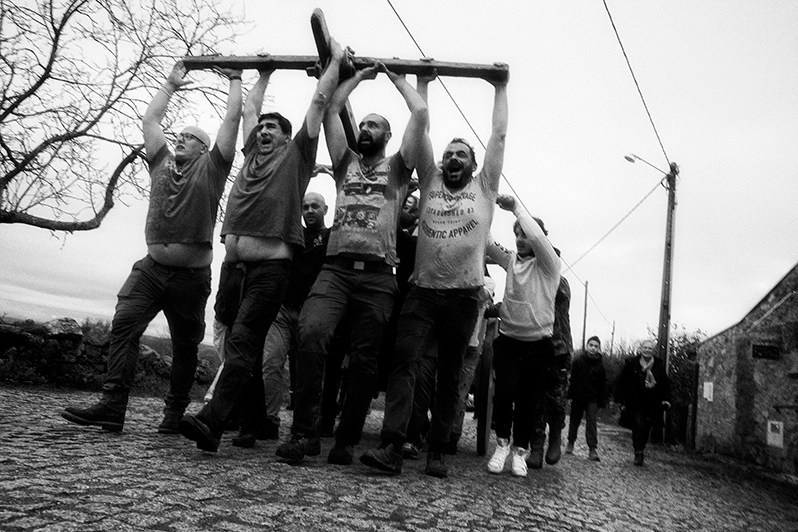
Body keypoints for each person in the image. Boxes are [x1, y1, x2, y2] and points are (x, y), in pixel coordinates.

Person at [177, 41, 345, 453]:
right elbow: (250, 111)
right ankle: (246, 425)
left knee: (245, 343)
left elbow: (319, 102)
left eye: (274, 128)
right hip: (233, 269)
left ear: (289, 139)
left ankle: (211, 421)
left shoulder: (296, 158)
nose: (265, 131)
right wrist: (262, 75)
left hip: (270, 271)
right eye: (263, 128)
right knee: (238, 348)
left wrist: (335, 64)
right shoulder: (251, 156)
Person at [61, 62, 242, 434]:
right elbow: (150, 121)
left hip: (190, 277)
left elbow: (231, 124)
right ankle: (113, 404)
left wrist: (236, 79)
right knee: (125, 323)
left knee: (186, 346)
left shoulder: (212, 169)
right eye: (179, 135)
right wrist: (170, 84)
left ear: (205, 149)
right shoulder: (160, 163)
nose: (180, 139)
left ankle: (174, 414)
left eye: (189, 137)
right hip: (151, 267)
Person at [275, 61, 428, 465]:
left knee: (364, 361)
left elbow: (421, 114)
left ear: (388, 136)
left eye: (375, 126)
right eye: (365, 125)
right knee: (310, 332)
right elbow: (330, 110)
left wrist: (397, 80)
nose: (366, 130)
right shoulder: (345, 162)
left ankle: (346, 439)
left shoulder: (397, 168)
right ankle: (305, 433)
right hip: (336, 270)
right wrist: (354, 78)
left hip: (379, 276)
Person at [360, 72, 509, 479]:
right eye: (449, 153)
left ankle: (437, 451)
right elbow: (420, 124)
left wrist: (499, 87)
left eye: (462, 154)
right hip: (422, 293)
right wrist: (421, 83)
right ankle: (392, 445)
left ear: (474, 166)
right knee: (403, 364)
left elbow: (497, 136)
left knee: (448, 377)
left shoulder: (484, 189)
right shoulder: (428, 181)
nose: (453, 158)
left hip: (463, 297)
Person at [228, 190, 331, 447]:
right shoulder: (293, 237)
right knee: (271, 363)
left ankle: (309, 425)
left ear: (325, 210)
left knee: (310, 370)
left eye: (315, 206)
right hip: (284, 309)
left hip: (314, 309)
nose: (309, 210)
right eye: (305, 206)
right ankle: (270, 420)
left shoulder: (331, 238)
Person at [484, 198, 561, 478]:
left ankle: (520, 452)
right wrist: (484, 201)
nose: (519, 240)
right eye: (516, 234)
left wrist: (517, 209)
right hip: (508, 340)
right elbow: (487, 240)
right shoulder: (510, 260)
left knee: (529, 401)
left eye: (524, 235)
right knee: (504, 393)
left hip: (538, 345)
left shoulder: (549, 265)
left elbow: (538, 237)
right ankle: (502, 445)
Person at [528, 273, 573, 468]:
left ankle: (555, 435)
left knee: (557, 400)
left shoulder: (560, 282)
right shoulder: (530, 279)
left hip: (559, 348)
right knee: (536, 400)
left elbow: (560, 295)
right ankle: (536, 448)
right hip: (535, 345)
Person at [614, 339, 671, 466]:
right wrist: (620, 400)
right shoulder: (632, 364)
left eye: (650, 348)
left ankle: (642, 447)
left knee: (646, 427)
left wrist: (666, 399)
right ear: (641, 349)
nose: (647, 350)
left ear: (653, 351)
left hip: (652, 403)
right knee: (638, 425)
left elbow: (664, 384)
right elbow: (622, 381)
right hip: (635, 402)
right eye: (645, 347)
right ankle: (638, 452)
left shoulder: (658, 366)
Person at [565, 335, 607, 461]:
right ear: (587, 346)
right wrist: (570, 396)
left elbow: (602, 384)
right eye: (591, 345)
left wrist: (602, 401)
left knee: (592, 421)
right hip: (578, 396)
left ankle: (592, 449)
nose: (593, 348)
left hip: (592, 398)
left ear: (599, 348)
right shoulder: (578, 361)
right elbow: (573, 379)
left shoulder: (600, 365)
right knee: (574, 420)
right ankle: (570, 442)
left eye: (596, 346)